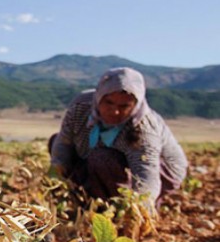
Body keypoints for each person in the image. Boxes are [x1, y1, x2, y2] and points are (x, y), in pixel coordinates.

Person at [50, 67, 188, 207]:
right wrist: (56, 181)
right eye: (108, 102)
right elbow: (63, 143)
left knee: (102, 158)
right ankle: (87, 198)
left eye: (124, 106)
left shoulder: (143, 129)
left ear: (135, 105)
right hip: (105, 159)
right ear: (99, 97)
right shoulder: (81, 106)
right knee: (56, 142)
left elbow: (146, 175)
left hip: (161, 171)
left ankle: (111, 207)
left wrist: (138, 208)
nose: (115, 111)